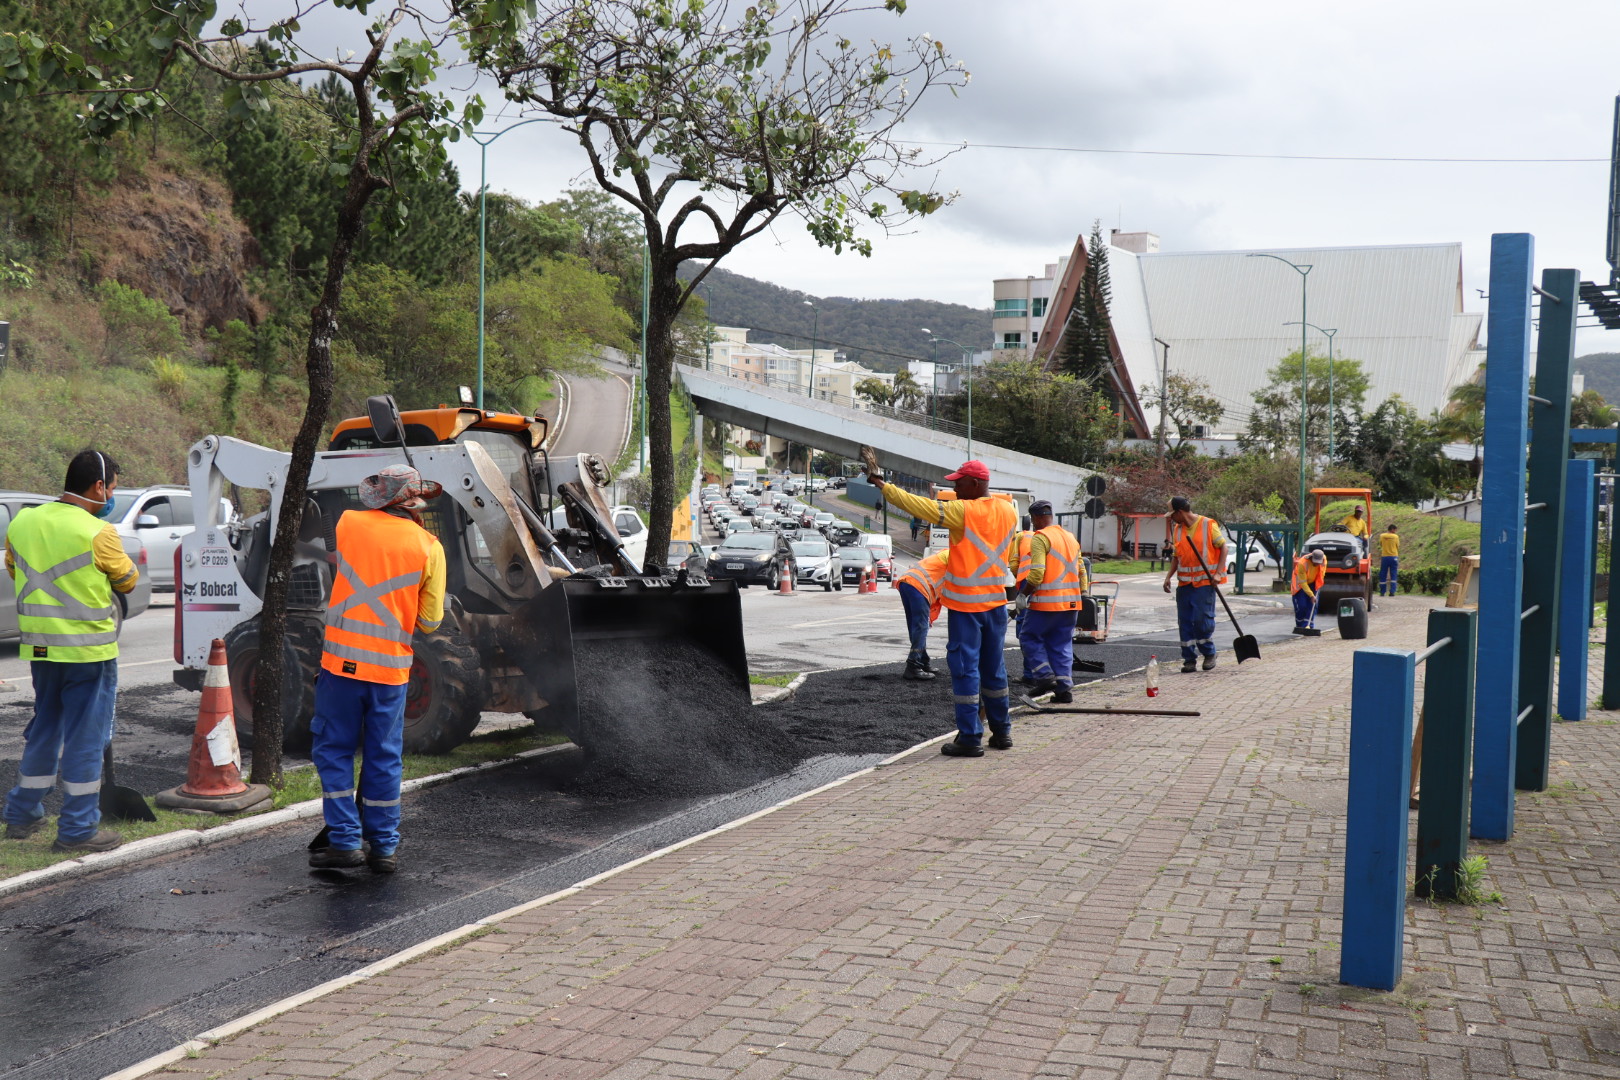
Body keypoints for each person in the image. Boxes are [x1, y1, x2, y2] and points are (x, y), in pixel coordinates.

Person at [309, 464, 446, 873]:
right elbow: (431, 622)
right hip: (390, 674)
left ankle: (346, 841)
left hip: (341, 668)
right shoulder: (430, 547)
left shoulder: (350, 523)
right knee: (384, 755)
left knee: (334, 751)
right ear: (414, 503)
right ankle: (383, 846)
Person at [3, 450, 139, 853]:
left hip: (42, 652)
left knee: (45, 727)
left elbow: (14, 568)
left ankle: (21, 814)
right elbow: (128, 582)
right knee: (85, 737)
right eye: (112, 488)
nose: (111, 495)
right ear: (99, 487)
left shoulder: (23, 521)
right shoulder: (98, 531)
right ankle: (78, 829)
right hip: (88, 655)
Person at [862, 448, 1018, 756]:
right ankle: (1001, 732)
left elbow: (920, 505)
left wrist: (882, 485)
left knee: (964, 670)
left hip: (967, 608)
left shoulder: (964, 511)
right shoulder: (1008, 511)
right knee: (994, 670)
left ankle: (970, 738)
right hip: (996, 606)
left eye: (960, 483)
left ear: (975, 484)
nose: (955, 490)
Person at [1016, 501, 1085, 703]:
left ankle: (1044, 676)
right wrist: (1084, 592)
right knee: (1061, 644)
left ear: (1036, 518)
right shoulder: (1070, 537)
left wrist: (1023, 594)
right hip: (1071, 603)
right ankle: (1064, 691)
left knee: (1028, 636)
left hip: (1046, 603)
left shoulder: (1040, 537)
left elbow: (1037, 573)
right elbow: (1081, 570)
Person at [1161, 496, 1228, 673]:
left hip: (1205, 583)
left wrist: (1219, 573)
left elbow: (1224, 548)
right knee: (1185, 622)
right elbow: (1177, 556)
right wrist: (1168, 577)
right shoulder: (1177, 529)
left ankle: (1209, 653)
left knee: (1202, 621)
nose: (1170, 518)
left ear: (1180, 512)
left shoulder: (1207, 524)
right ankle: (1189, 659)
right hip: (1184, 584)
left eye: (1172, 514)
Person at [894, 551, 948, 680]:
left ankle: (923, 661)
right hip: (918, 586)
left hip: (907, 583)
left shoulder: (946, 553)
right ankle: (913, 666)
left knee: (916, 625)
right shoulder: (957, 555)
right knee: (921, 626)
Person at [1011, 520, 1036, 684]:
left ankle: (1030, 675)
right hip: (1049, 584)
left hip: (1028, 581)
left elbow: (1013, 564)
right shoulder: (1043, 536)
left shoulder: (1019, 537)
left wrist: (1019, 583)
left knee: (1025, 630)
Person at [1291, 550, 1328, 630]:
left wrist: (1318, 585)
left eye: (1319, 562)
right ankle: (1300, 626)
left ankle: (1308, 626)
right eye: (1315, 562)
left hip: (1313, 582)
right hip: (1300, 584)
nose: (1317, 564)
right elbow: (1303, 583)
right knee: (1302, 605)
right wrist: (1311, 595)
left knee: (1312, 605)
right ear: (1311, 558)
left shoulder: (1324, 559)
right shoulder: (1302, 563)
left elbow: (1322, 573)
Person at [1377, 522, 1400, 596]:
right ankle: (1392, 591)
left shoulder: (1382, 536)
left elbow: (1381, 544)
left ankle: (1382, 592)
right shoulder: (1396, 537)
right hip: (1394, 557)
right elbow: (1398, 546)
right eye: (1395, 530)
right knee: (1393, 574)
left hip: (1385, 557)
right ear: (1392, 529)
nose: (1395, 531)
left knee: (1383, 573)